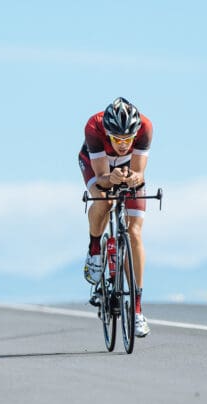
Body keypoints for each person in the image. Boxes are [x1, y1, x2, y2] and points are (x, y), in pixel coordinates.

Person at [79, 97, 153, 337]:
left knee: (134, 232)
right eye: (117, 139)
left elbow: (140, 172)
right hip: (96, 163)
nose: (123, 144)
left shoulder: (145, 127)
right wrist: (110, 179)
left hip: (127, 167)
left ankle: (138, 309)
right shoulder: (94, 126)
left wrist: (135, 178)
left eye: (127, 140)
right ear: (108, 133)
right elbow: (101, 177)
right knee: (105, 200)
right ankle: (94, 250)